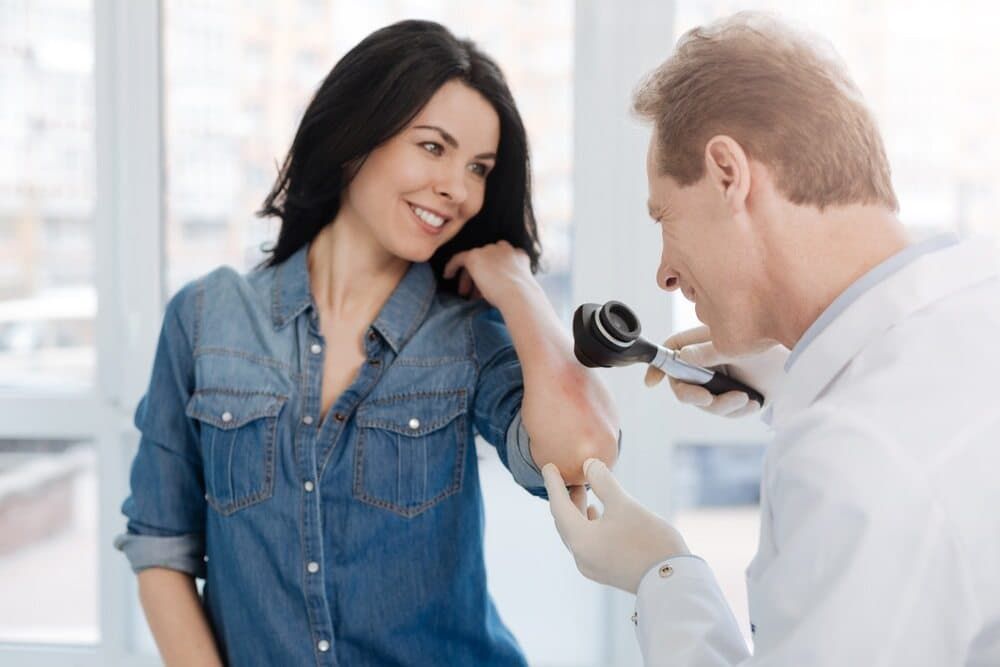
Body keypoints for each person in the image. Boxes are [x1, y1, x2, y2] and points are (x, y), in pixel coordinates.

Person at [114, 20, 619, 667]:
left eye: (478, 169)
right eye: (433, 147)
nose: (458, 189)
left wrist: (519, 285)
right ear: (356, 139)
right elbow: (161, 543)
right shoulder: (206, 317)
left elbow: (583, 456)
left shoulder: (464, 335)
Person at [542, 12, 1000, 666]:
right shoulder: (979, 297)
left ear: (729, 173)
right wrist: (800, 372)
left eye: (665, 217)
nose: (664, 271)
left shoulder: (853, 457)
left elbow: (883, 457)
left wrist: (663, 572)